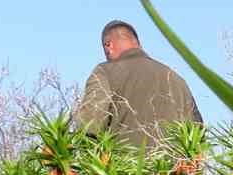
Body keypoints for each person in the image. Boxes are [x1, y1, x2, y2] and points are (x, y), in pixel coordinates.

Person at [72, 20, 202, 148]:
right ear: (138, 44)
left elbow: (89, 126)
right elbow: (198, 134)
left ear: (108, 45)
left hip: (126, 167)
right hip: (176, 168)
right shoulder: (176, 79)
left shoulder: (105, 72)